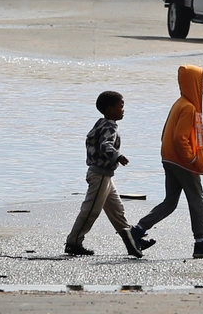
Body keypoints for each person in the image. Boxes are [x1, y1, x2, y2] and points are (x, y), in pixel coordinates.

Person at [130, 65, 203, 259]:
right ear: (193, 84)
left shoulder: (179, 103)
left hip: (170, 159)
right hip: (182, 162)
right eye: (202, 84)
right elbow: (180, 139)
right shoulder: (189, 108)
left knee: (170, 202)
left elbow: (165, 133)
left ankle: (138, 230)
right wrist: (192, 159)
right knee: (197, 200)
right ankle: (201, 243)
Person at [64, 90, 151, 258]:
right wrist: (118, 156)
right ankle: (73, 242)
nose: (123, 110)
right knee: (91, 210)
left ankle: (133, 242)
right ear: (110, 109)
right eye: (121, 106)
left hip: (105, 176)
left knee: (117, 210)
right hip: (100, 175)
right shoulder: (109, 126)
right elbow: (106, 145)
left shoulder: (101, 123)